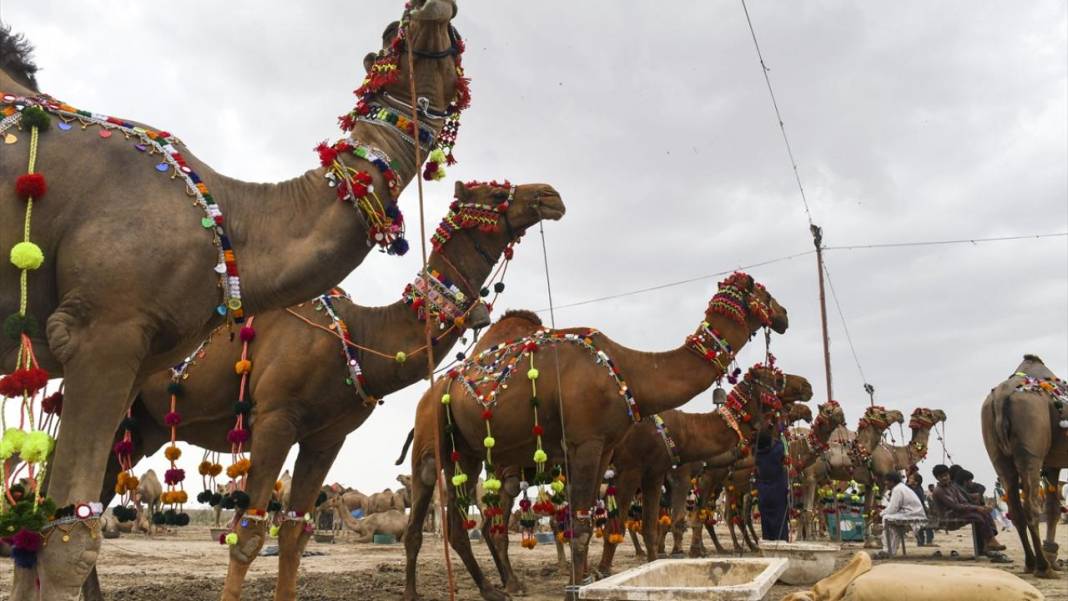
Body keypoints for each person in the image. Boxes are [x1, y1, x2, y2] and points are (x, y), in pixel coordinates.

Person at [931, 464, 1005, 552]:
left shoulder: (952, 486)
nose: (944, 478)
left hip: (958, 514)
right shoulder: (938, 491)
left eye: (946, 475)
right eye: (941, 476)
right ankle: (990, 541)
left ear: (949, 475)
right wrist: (977, 508)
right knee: (978, 516)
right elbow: (956, 506)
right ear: (937, 478)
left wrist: (981, 506)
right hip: (948, 517)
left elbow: (963, 500)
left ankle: (989, 542)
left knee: (985, 513)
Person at [880, 471, 927, 555]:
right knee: (892, 524)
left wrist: (880, 514)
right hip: (910, 514)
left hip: (912, 515)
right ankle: (889, 551)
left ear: (892, 481)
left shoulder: (897, 489)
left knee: (886, 518)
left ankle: (887, 550)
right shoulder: (900, 487)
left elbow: (892, 509)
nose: (885, 484)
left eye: (887, 482)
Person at [755, 429, 789, 541]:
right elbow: (781, 441)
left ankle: (768, 541)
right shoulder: (777, 450)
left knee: (766, 521)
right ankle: (781, 541)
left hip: (763, 493)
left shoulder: (757, 455)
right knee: (780, 521)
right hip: (778, 491)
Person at [907, 472, 935, 545]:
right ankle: (923, 541)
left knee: (927, 524)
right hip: (913, 512)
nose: (909, 479)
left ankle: (927, 541)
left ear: (916, 482)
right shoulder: (909, 488)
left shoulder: (918, 489)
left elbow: (920, 502)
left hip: (919, 511)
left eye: (911, 478)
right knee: (924, 525)